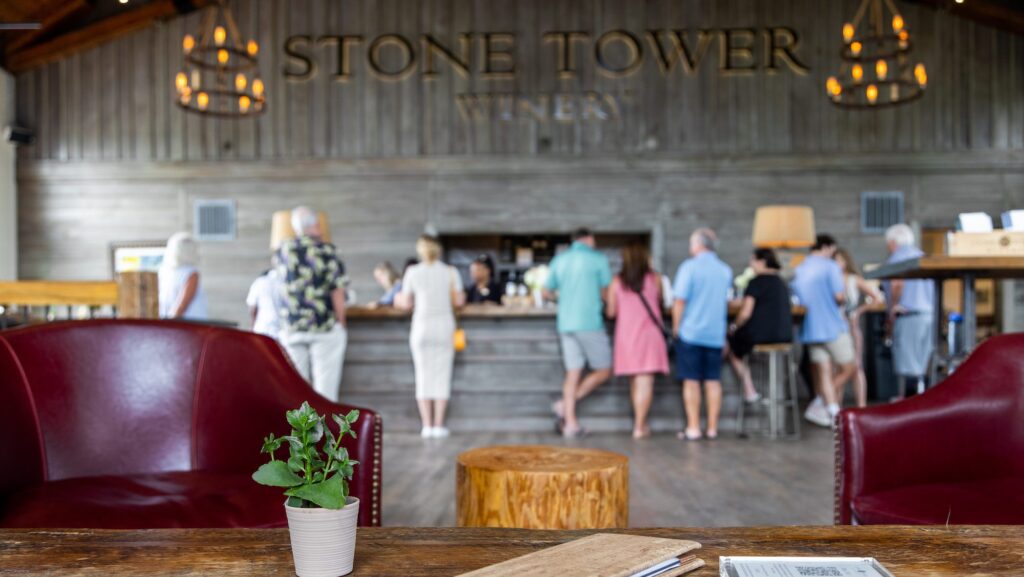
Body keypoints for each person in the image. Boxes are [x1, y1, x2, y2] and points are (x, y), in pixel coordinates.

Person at [543, 227, 613, 438]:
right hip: (590, 322)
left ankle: (570, 422)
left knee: (573, 373)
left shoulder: (560, 260)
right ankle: (564, 407)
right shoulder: (598, 259)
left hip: (565, 322)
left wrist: (563, 300)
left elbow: (545, 291)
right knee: (604, 370)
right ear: (589, 239)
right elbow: (606, 293)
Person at [277, 206, 349, 402]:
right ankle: (322, 432)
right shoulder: (327, 251)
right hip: (323, 326)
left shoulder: (283, 250)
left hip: (292, 326)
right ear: (315, 225)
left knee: (296, 388)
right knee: (325, 390)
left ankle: (300, 432)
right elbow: (338, 290)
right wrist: (341, 321)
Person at [396, 235, 465, 438]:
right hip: (444, 327)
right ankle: (439, 424)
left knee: (423, 375)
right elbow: (459, 301)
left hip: (421, 327)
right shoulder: (450, 272)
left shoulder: (412, 272)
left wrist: (398, 300)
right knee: (442, 375)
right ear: (439, 250)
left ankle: (426, 426)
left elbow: (406, 303)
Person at [672, 228, 733, 441]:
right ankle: (713, 428)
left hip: (691, 332)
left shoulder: (689, 268)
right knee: (713, 380)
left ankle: (693, 427)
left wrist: (676, 327)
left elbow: (679, 300)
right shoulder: (724, 270)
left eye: (691, 243)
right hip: (716, 333)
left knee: (691, 381)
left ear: (699, 245)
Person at [790, 234, 856, 428]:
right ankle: (819, 402)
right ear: (827, 248)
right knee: (849, 367)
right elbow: (839, 297)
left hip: (810, 328)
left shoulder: (800, 269)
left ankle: (833, 411)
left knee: (824, 372)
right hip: (832, 326)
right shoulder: (830, 267)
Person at [606, 243, 669, 439]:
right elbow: (662, 303)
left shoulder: (617, 281)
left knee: (636, 381)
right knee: (645, 381)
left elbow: (610, 311)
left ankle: (640, 423)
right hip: (650, 335)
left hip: (627, 336)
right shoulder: (655, 279)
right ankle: (640, 425)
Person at [726, 248, 793, 404]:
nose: (751, 265)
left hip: (761, 336)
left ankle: (750, 391)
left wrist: (733, 327)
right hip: (785, 336)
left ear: (762, 261)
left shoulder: (756, 282)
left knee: (732, 343)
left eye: (753, 260)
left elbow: (745, 313)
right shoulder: (781, 282)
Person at [883, 224, 935, 398]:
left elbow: (897, 284)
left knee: (909, 365)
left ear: (893, 242)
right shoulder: (922, 256)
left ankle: (911, 406)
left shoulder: (898, 258)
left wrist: (892, 310)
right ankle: (924, 403)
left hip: (909, 316)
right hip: (929, 316)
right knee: (922, 364)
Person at [835, 248, 883, 408]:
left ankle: (861, 407)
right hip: (835, 329)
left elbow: (877, 297)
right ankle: (836, 409)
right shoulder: (830, 279)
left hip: (851, 327)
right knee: (839, 368)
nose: (837, 263)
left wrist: (859, 311)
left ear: (845, 261)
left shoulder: (854, 279)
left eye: (839, 260)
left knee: (856, 367)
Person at [158, 232, 208, 320]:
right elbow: (182, 304)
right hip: (188, 325)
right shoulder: (191, 273)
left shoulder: (166, 273)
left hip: (172, 323)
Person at [246, 265, 285, 340]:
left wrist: (252, 325)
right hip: (281, 328)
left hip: (262, 327)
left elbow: (253, 308)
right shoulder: (282, 282)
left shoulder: (259, 282)